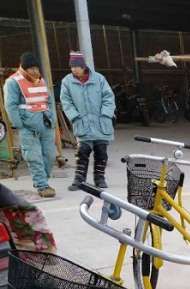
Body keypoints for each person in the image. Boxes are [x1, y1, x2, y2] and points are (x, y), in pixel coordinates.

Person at [3, 53, 57, 199]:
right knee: (34, 157)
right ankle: (42, 185)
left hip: (46, 124)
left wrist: (52, 117)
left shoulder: (41, 80)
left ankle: (43, 180)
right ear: (24, 68)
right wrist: (19, 125)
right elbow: (10, 106)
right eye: (31, 68)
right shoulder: (13, 82)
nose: (34, 71)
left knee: (50, 155)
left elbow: (49, 100)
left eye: (36, 68)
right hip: (28, 127)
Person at [60, 50, 115, 190]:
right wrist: (74, 116)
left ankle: (99, 178)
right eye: (71, 67)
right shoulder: (67, 81)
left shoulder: (99, 79)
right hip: (82, 122)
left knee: (101, 152)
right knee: (82, 151)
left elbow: (109, 97)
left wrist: (106, 114)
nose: (73, 69)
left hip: (101, 122)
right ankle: (79, 180)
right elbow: (66, 101)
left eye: (76, 67)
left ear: (83, 66)